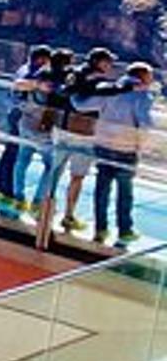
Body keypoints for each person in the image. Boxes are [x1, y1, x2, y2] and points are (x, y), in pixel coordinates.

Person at [74, 61, 154, 245]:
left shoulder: (110, 90)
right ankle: (124, 230)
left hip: (103, 146)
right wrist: (142, 146)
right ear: (142, 77)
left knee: (102, 189)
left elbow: (81, 105)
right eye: (149, 77)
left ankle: (100, 229)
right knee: (125, 192)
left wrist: (74, 89)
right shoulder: (141, 96)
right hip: (126, 150)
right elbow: (145, 124)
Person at [50, 48, 118, 233]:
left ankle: (44, 208)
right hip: (84, 133)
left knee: (55, 171)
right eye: (108, 62)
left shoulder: (73, 75)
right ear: (100, 63)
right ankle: (68, 215)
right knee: (77, 176)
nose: (110, 66)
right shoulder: (99, 82)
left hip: (62, 128)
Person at [0, 44, 53, 210]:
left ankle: (0, 187)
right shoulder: (30, 74)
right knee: (15, 153)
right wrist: (38, 85)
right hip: (20, 115)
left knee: (11, 151)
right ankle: (7, 190)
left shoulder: (27, 69)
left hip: (15, 113)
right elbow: (20, 85)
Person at [11, 47, 72, 214]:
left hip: (26, 124)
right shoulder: (58, 81)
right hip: (44, 130)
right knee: (51, 166)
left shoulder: (37, 76)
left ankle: (18, 197)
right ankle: (38, 201)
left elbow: (18, 87)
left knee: (22, 160)